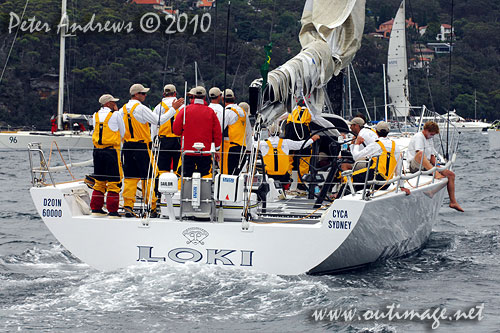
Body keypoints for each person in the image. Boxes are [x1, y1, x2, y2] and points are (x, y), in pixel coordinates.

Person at [119, 83, 176, 218]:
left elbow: (121, 131)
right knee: (150, 176)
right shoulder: (141, 109)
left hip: (127, 147)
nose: (145, 95)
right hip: (142, 146)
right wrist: (173, 109)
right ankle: (151, 206)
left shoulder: (122, 110)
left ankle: (128, 205)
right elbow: (158, 121)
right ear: (137, 95)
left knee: (130, 178)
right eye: (143, 93)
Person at [407, 121, 464, 212]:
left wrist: (438, 167)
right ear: (425, 130)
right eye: (431, 134)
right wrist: (436, 172)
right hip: (415, 165)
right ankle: (435, 174)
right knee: (421, 154)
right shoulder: (419, 137)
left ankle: (452, 201)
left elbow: (432, 156)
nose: (432, 136)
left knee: (450, 175)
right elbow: (419, 155)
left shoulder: (429, 139)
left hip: (426, 165)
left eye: (433, 135)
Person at [346, 121, 410, 195]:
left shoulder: (376, 145)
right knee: (361, 180)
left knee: (350, 178)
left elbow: (355, 157)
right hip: (386, 184)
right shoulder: (395, 146)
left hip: (375, 179)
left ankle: (338, 198)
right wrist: (402, 186)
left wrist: (356, 144)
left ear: (376, 132)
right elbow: (399, 168)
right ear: (388, 132)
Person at [173, 86, 222, 177]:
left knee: (186, 177)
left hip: (187, 151)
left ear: (193, 96)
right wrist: (217, 149)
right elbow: (217, 133)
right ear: (204, 97)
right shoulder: (210, 112)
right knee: (205, 176)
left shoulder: (185, 110)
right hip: (205, 152)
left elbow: (176, 130)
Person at [90, 94, 125, 218]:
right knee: (114, 181)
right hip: (111, 151)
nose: (115, 104)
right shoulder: (116, 115)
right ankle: (113, 211)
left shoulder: (95, 115)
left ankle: (96, 209)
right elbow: (123, 131)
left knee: (99, 181)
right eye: (113, 102)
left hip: (97, 151)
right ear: (108, 104)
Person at [257, 123, 320, 189]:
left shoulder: (261, 144)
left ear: (269, 132)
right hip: (283, 178)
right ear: (280, 132)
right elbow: (300, 145)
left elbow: (250, 146)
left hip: (268, 177)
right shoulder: (286, 142)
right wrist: (312, 139)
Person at [151, 84, 185, 174]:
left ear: (163, 94)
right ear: (175, 93)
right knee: (177, 168)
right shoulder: (182, 107)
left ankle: (162, 186)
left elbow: (154, 126)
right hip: (178, 140)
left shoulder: (158, 107)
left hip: (163, 141)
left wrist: (154, 142)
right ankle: (177, 186)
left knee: (162, 168)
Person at [221, 89, 252, 175]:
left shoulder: (227, 112)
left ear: (222, 99)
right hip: (243, 149)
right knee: (236, 174)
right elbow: (249, 132)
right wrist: (249, 149)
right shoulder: (243, 112)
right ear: (234, 98)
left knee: (228, 174)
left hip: (231, 148)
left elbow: (220, 128)